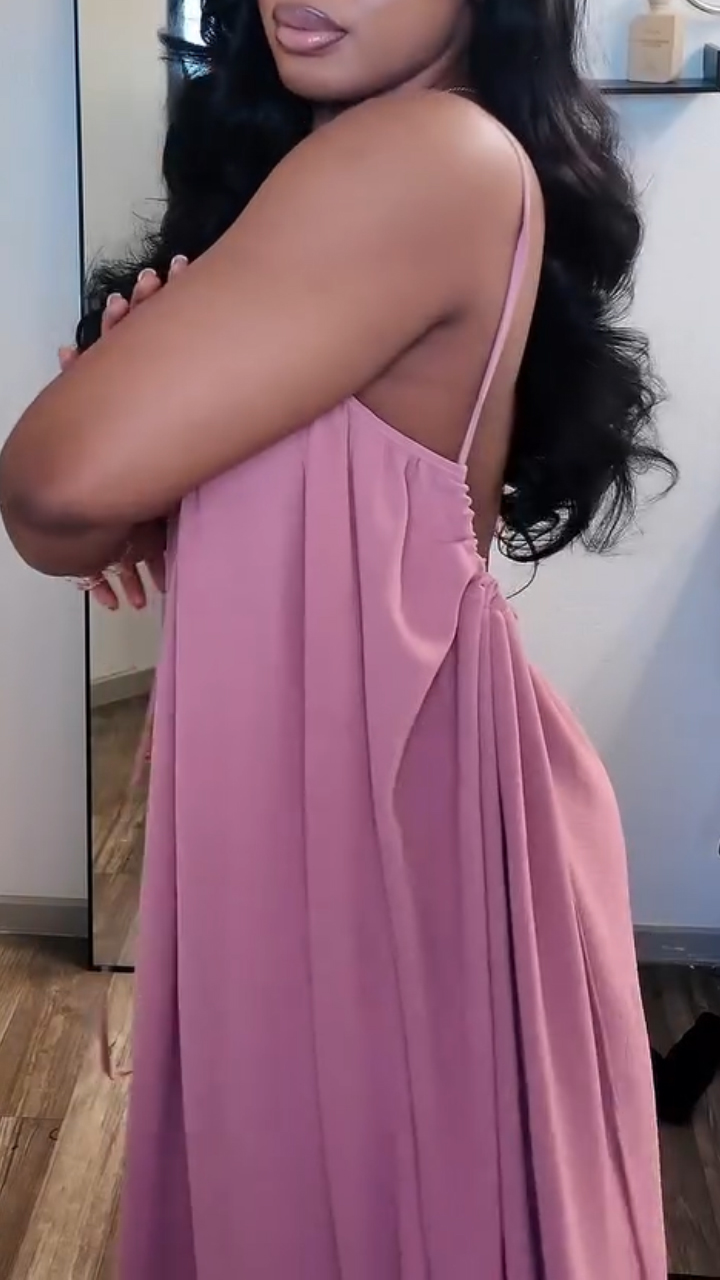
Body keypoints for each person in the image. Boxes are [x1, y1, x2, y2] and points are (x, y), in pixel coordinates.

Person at [0, 0, 674, 1275]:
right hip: (352, 787)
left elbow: (47, 485)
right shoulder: (376, 162)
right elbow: (78, 517)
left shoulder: (422, 153)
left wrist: (114, 447)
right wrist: (135, 470)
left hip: (370, 812)